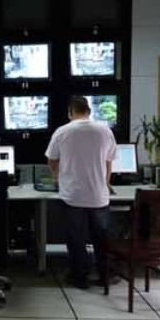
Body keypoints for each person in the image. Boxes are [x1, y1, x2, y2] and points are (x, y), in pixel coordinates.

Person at [45, 96, 117, 289]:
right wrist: (105, 182)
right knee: (101, 239)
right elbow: (109, 162)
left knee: (76, 240)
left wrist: (57, 177)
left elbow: (52, 159)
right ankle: (104, 276)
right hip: (99, 196)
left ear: (70, 112)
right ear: (89, 111)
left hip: (72, 196)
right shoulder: (105, 130)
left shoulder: (62, 131)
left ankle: (80, 278)